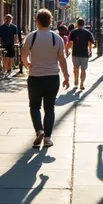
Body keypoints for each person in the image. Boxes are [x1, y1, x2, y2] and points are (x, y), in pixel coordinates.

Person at [21, 8, 70, 149]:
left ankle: (39, 130)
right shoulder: (57, 38)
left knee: (34, 106)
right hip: (52, 77)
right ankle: (47, 138)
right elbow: (62, 59)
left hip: (35, 77)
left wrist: (27, 64)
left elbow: (24, 54)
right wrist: (66, 76)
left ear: (37, 21)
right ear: (50, 21)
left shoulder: (32, 37)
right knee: (49, 108)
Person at [67, 17, 95, 90]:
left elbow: (70, 42)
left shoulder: (73, 32)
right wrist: (90, 50)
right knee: (83, 70)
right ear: (83, 24)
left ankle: (76, 80)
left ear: (77, 24)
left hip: (75, 53)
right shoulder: (88, 33)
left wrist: (67, 50)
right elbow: (90, 43)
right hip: (84, 54)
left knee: (75, 68)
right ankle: (82, 83)